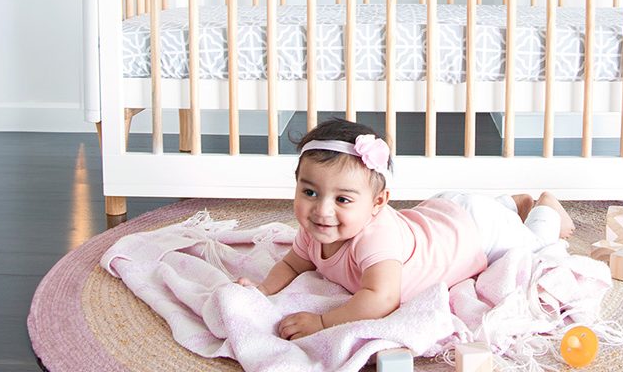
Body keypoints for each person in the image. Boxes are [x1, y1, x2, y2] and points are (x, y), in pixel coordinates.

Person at [238, 118, 575, 340]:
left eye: (342, 199)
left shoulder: (374, 239)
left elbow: (381, 298)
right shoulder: (314, 229)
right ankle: (511, 204)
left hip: (476, 233)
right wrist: (266, 288)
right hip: (445, 212)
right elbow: (295, 262)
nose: (322, 211)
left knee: (535, 246)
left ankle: (546, 206)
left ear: (378, 202)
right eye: (309, 192)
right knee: (484, 212)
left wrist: (323, 323)